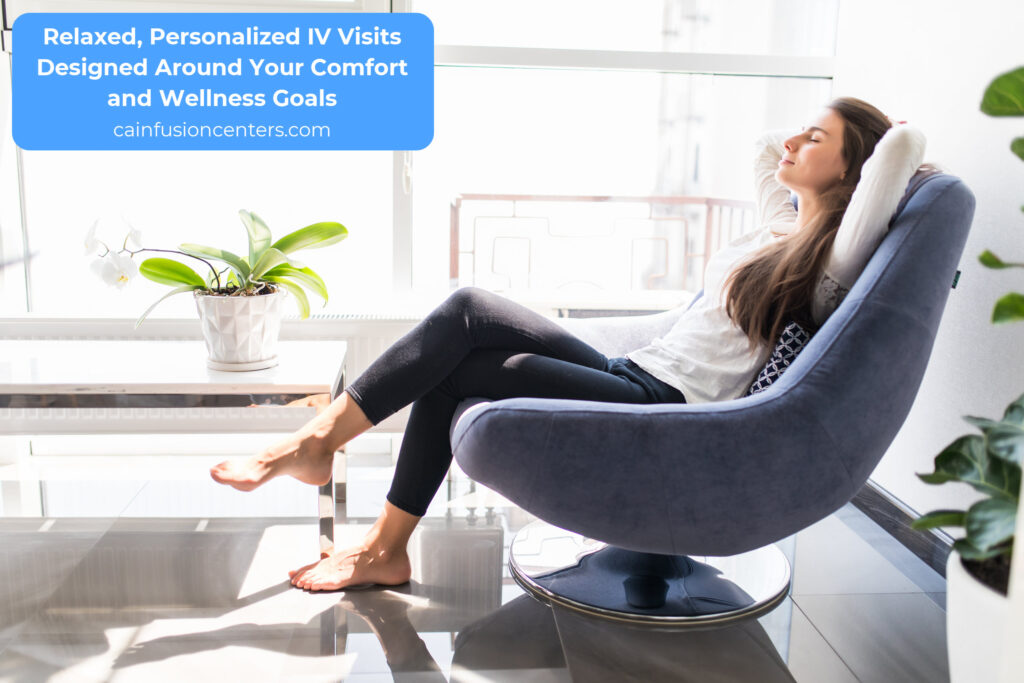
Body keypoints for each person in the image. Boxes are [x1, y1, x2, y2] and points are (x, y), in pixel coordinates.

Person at [211, 96, 928, 591]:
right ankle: (377, 540)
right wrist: (819, 136)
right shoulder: (780, 221)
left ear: (853, 171)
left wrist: (892, 142)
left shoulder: (831, 262)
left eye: (816, 140)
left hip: (670, 403)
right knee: (459, 345)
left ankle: (324, 459)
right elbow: (764, 146)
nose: (793, 144)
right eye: (802, 132)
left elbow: (898, 153)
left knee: (465, 316)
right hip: (636, 368)